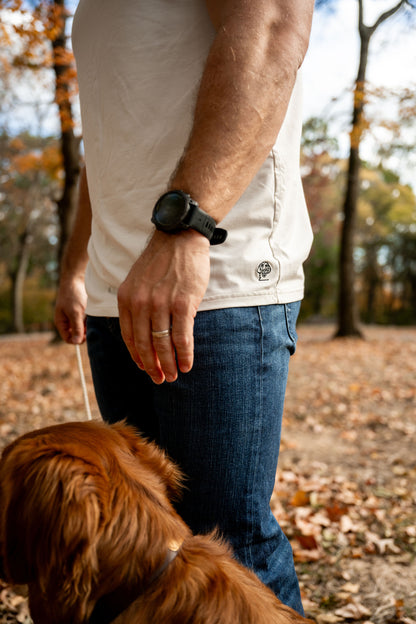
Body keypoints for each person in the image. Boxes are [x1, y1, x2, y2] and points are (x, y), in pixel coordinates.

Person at [55, 0, 314, 615]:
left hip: (214, 276)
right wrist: (77, 266)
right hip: (120, 290)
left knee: (228, 546)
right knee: (148, 541)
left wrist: (185, 230)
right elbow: (110, 143)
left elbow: (275, 26)